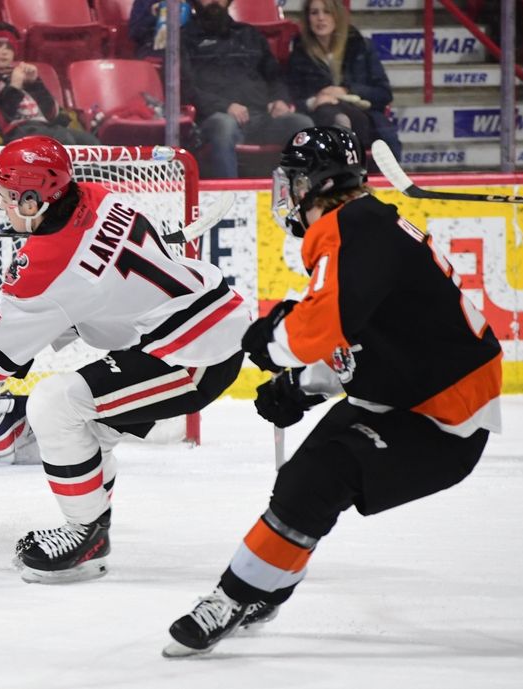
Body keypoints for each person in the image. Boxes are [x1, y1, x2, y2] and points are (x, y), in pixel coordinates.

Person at [163, 126, 502, 657]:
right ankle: (266, 587)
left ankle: (233, 597)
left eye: (293, 180)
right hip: (408, 398)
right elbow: (369, 335)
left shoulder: (350, 229)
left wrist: (273, 346)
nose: (287, 193)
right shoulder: (366, 226)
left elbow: (321, 326)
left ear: (316, 183)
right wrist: (305, 384)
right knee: (300, 489)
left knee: (315, 479)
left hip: (442, 422)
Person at [0, 135, 251, 583]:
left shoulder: (47, 266)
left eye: (4, 196)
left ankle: (85, 535)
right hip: (207, 315)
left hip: (193, 353)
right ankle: (91, 527)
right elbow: (101, 301)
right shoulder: (100, 196)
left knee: (55, 403)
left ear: (30, 200)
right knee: (88, 422)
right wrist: (31, 335)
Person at [181, 0, 313, 179]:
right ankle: (229, 200)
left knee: (302, 125)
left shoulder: (250, 35)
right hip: (211, 120)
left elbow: (274, 76)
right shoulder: (183, 38)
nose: (214, 1)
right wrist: (224, 106)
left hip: (259, 119)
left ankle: (297, 198)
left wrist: (280, 99)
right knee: (223, 125)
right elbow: (183, 87)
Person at [286, 0, 402, 159]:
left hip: (362, 117)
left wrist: (346, 91)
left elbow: (383, 93)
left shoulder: (361, 47)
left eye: (327, 12)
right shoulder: (299, 54)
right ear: (307, 19)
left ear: (337, 16)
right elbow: (290, 98)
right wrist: (314, 101)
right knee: (327, 113)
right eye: (314, 13)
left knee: (345, 119)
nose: (321, 18)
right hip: (319, 118)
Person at [0, 21, 99, 145]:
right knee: (63, 140)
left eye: (9, 48)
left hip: (46, 127)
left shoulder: (23, 76)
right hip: (16, 132)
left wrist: (35, 83)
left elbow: (52, 114)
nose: (4, 52)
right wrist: (14, 87)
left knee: (89, 141)